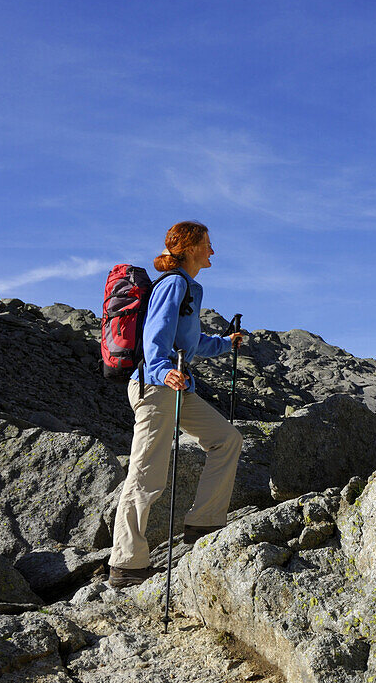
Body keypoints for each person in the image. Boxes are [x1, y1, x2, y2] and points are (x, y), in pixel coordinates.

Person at [108, 221, 244, 589]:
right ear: (190, 247)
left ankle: (204, 523)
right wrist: (163, 369)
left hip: (177, 387)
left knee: (226, 439)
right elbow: (156, 332)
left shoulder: (189, 287)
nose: (212, 250)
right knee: (146, 474)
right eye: (207, 244)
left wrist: (224, 343)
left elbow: (191, 341)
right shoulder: (173, 284)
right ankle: (126, 563)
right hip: (156, 387)